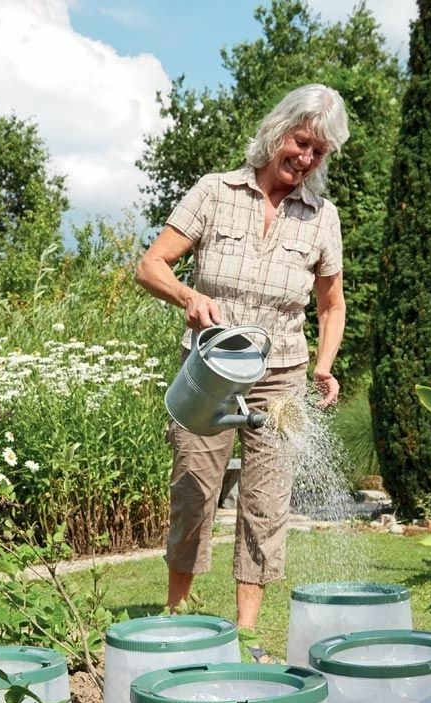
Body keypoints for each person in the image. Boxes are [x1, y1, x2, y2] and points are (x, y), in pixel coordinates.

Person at [135, 83, 349, 656]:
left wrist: (325, 366)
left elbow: (331, 305)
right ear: (278, 131)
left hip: (282, 375)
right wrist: (188, 299)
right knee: (194, 489)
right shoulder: (215, 191)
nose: (305, 158)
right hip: (211, 371)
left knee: (266, 500)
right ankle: (177, 614)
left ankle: (247, 631)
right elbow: (151, 265)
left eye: (318, 152)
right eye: (301, 142)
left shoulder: (322, 216)